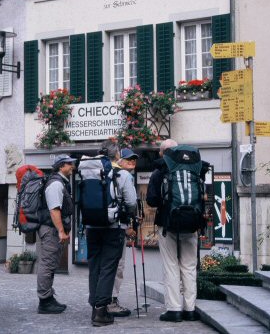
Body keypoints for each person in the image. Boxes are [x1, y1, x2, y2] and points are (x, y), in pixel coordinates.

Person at [83, 142, 137, 327]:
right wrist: (129, 216)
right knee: (108, 267)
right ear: (117, 156)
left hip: (91, 226)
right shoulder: (122, 174)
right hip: (113, 227)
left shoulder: (88, 172)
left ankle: (94, 308)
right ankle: (101, 311)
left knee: (94, 267)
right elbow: (131, 202)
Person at [146, 139, 200, 323]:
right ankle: (190, 309)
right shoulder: (195, 167)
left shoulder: (160, 170)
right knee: (189, 267)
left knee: (171, 267)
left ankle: (174, 309)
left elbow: (152, 200)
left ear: (162, 153)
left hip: (168, 224)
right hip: (192, 223)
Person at [37, 154, 76, 314]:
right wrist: (61, 231)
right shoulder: (55, 184)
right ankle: (44, 301)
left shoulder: (60, 182)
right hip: (51, 230)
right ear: (61, 166)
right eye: (69, 164)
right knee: (47, 264)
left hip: (53, 229)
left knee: (51, 264)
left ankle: (48, 297)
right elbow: (54, 210)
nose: (72, 166)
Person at [108, 147, 139, 317]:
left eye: (134, 160)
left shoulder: (106, 174)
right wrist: (128, 225)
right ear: (119, 160)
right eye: (128, 159)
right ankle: (111, 300)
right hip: (117, 227)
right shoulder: (124, 177)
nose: (132, 162)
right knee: (118, 265)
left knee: (105, 264)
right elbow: (131, 204)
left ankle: (102, 300)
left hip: (103, 225)